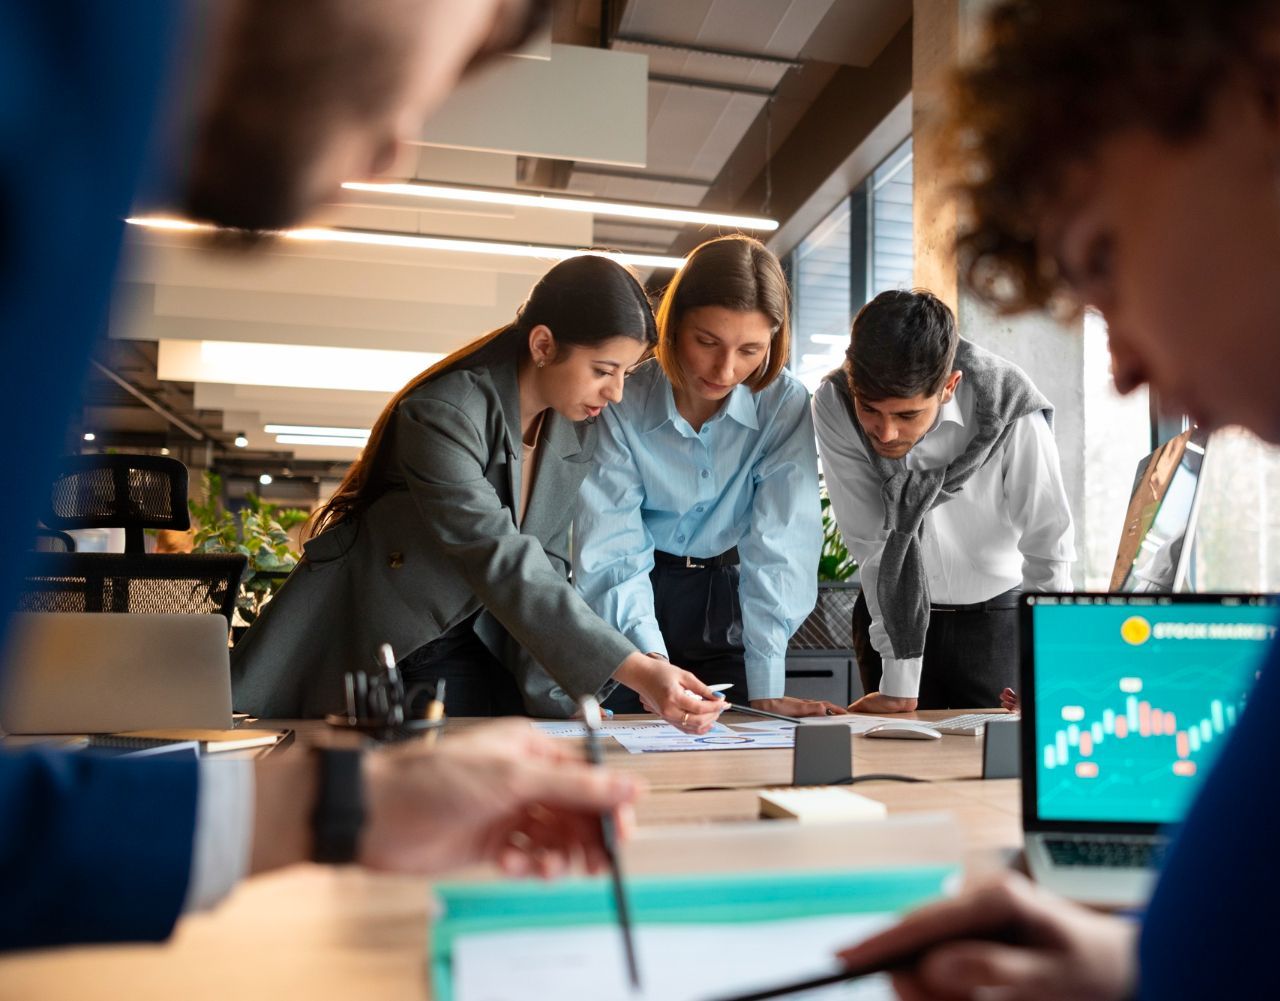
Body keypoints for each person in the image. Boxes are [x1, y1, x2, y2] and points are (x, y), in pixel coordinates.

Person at [840, 1, 1280, 997]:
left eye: (1105, 259)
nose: (1124, 365)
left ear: (1276, 87)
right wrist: (1130, 963)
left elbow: (1216, 952)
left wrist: (1165, 961)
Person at [0, 0, 653, 952]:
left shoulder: (71, 119)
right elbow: (500, 553)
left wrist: (323, 803)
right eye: (462, 44)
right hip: (384, 654)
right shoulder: (61, 91)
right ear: (547, 342)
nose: (394, 147)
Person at [232, 255, 730, 731]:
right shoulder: (444, 414)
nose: (616, 393)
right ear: (542, 345)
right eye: (603, 371)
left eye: (626, 373)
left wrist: (568, 698)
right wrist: (639, 670)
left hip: (488, 644)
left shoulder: (575, 431)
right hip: (402, 644)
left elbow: (548, 569)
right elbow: (500, 558)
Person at [573, 236, 844, 718]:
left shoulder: (782, 404)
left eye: (750, 350)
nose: (726, 369)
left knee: (737, 744)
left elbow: (779, 545)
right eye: (708, 342)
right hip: (633, 593)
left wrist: (767, 685)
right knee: (631, 742)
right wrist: (649, 664)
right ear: (673, 326)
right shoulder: (621, 398)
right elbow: (614, 548)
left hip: (730, 597)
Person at [812, 290, 1076, 714]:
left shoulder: (1009, 405)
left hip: (996, 621)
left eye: (907, 415)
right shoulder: (835, 403)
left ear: (949, 386)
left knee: (995, 773)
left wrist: (1043, 665)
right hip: (892, 621)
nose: (885, 433)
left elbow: (1049, 546)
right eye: (871, 410)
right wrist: (899, 680)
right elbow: (873, 543)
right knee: (893, 766)